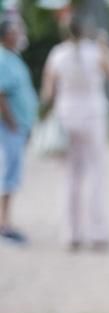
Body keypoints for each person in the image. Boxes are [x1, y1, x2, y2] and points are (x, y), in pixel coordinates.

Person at [40, 14, 109, 251]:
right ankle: (98, 232)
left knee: (69, 177)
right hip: (94, 115)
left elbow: (47, 93)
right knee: (96, 175)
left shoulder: (57, 54)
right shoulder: (95, 52)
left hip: (67, 116)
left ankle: (71, 233)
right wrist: (107, 48)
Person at [0, 19, 37, 245]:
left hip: (18, 126)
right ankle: (4, 223)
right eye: (15, 31)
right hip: (9, 127)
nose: (19, 34)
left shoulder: (13, 58)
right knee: (8, 173)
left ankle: (6, 221)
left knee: (12, 173)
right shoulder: (3, 59)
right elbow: (1, 94)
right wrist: (12, 121)